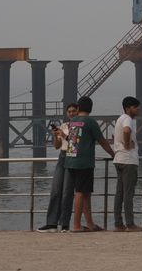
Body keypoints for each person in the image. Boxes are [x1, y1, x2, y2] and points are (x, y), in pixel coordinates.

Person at [64, 95, 115, 232]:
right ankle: (76, 225)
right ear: (91, 109)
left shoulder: (73, 121)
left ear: (78, 108)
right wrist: (113, 154)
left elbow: (72, 141)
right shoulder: (90, 122)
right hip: (84, 162)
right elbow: (102, 141)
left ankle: (90, 223)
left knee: (86, 193)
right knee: (80, 192)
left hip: (71, 161)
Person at [37, 102, 79, 232]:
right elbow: (56, 146)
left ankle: (64, 224)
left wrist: (64, 134)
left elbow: (76, 143)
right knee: (55, 190)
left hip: (72, 156)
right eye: (69, 111)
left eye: (73, 111)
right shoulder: (64, 125)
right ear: (67, 113)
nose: (71, 113)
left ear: (78, 111)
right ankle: (51, 223)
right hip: (62, 156)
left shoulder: (78, 125)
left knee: (67, 192)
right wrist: (56, 135)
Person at [113, 96, 141, 232]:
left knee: (119, 193)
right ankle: (130, 224)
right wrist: (127, 143)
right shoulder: (127, 119)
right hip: (128, 160)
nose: (137, 109)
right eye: (135, 107)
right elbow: (126, 131)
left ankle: (118, 224)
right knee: (128, 194)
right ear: (128, 108)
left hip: (118, 159)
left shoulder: (120, 118)